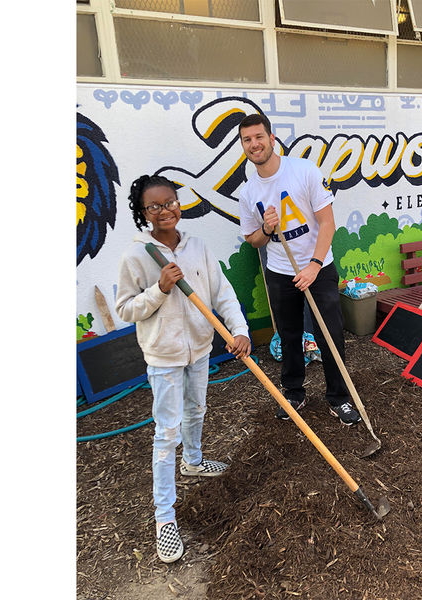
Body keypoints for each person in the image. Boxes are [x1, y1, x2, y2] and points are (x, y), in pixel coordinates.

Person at [115, 174, 252, 564]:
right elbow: (126, 309)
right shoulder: (136, 256)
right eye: (154, 206)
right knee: (166, 432)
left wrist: (239, 330)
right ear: (143, 213)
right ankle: (164, 518)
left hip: (201, 349)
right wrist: (159, 288)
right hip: (164, 356)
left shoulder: (198, 247)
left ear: (180, 203)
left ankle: (193, 462)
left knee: (197, 411)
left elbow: (222, 293)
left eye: (169, 202)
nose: (164, 211)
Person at [236, 113, 362, 427]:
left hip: (319, 266)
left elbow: (328, 222)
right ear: (243, 146)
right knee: (289, 335)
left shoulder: (303, 171)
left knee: (330, 334)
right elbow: (253, 240)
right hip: (280, 271)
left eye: (258, 137)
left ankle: (340, 398)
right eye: (247, 140)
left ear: (271, 138)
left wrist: (314, 266)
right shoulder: (249, 192)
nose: (254, 144)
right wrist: (266, 229)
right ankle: (294, 393)